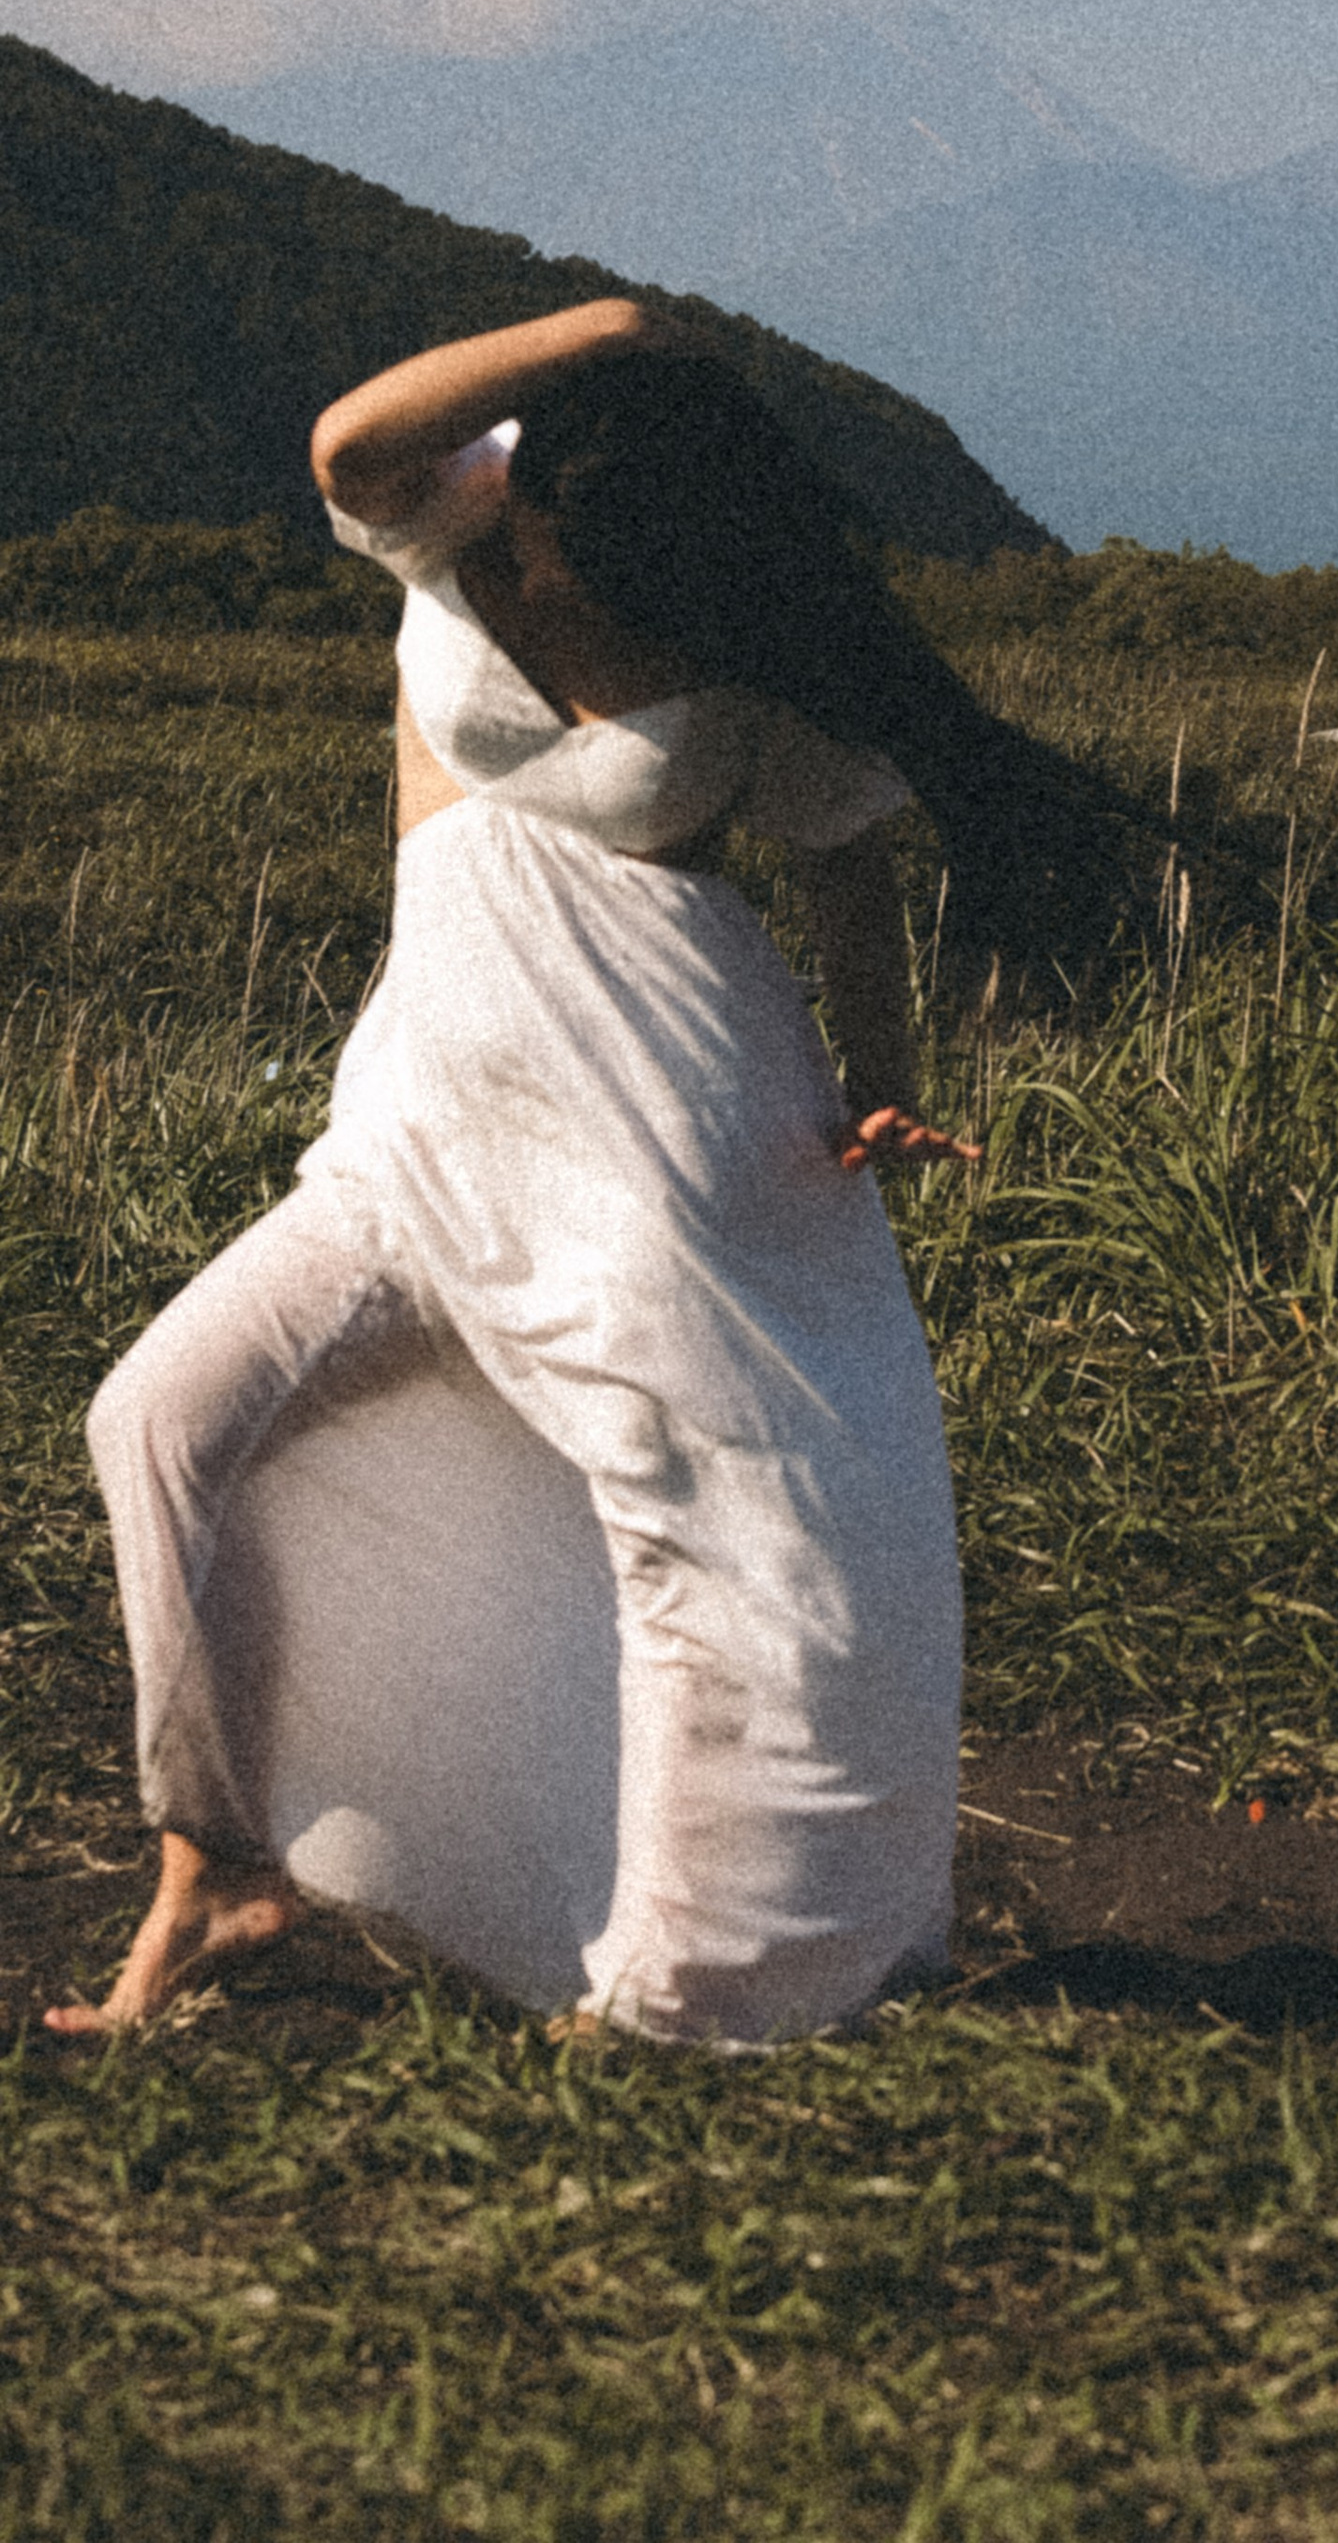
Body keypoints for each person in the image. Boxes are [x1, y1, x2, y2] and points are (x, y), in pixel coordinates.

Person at [47, 296, 1091, 2045]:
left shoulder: (743, 657)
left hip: (637, 1143)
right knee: (155, 1421)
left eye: (573, 568)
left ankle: (694, 1967)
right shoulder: (458, 513)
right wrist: (621, 325)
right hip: (411, 1141)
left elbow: (848, 874)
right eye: (527, 544)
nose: (536, 587)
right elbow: (343, 447)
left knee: (714, 1526)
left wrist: (885, 1081)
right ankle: (213, 1856)